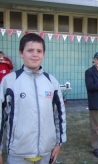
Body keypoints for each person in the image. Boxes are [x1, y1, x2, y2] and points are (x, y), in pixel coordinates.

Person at [0, 33, 66, 164]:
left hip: (47, 152)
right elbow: (1, 117)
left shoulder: (51, 82)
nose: (35, 54)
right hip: (18, 153)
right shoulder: (10, 81)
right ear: (21, 53)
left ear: (43, 54)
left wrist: (58, 143)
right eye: (30, 50)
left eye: (39, 51)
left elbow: (59, 115)